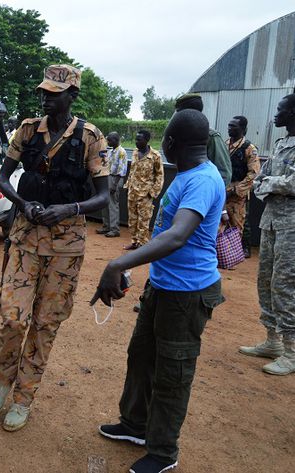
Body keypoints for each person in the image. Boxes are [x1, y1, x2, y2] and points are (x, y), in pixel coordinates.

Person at [92, 109, 225, 473]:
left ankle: (164, 452)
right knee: (141, 357)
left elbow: (178, 235)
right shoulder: (188, 175)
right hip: (164, 286)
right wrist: (144, 274)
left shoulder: (201, 180)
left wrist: (120, 264)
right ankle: (135, 426)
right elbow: (168, 238)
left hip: (187, 296)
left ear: (170, 143)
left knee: (171, 373)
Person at [0, 64, 109, 432]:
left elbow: (103, 196)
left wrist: (68, 208)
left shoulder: (90, 137)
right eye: (44, 92)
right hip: (25, 235)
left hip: (66, 245)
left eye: (54, 93)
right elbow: (3, 179)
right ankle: (3, 380)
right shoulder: (26, 130)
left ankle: (24, 396)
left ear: (72, 95)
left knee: (45, 324)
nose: (46, 98)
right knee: (12, 316)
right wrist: (24, 205)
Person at [238, 93, 295, 376]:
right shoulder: (280, 144)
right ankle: (272, 341)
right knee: (265, 281)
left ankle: (291, 353)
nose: (274, 115)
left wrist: (270, 183)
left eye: (279, 110)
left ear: (292, 112)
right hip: (270, 222)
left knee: (285, 285)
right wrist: (271, 183)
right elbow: (259, 181)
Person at [174, 93, 232, 187]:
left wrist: (204, 193)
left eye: (179, 112)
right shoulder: (182, 135)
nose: (177, 116)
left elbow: (224, 174)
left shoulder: (211, 136)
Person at [225, 116, 259, 257]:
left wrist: (235, 190)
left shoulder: (249, 148)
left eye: (233, 126)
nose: (230, 128)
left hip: (238, 192)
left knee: (238, 222)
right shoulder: (225, 144)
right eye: (229, 125)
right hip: (223, 189)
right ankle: (223, 252)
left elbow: (254, 173)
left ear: (243, 129)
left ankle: (236, 253)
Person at [124, 130, 164, 250]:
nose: (136, 142)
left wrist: (152, 193)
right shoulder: (135, 153)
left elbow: (160, 176)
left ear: (146, 140)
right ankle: (134, 242)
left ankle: (143, 245)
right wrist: (127, 185)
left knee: (144, 222)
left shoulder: (155, 155)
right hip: (132, 193)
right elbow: (132, 171)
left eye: (139, 139)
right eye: (135, 139)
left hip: (145, 195)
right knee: (132, 220)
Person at [97, 132, 128, 237]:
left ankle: (115, 229)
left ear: (115, 140)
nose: (108, 142)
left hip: (115, 179)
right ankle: (106, 227)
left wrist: (114, 185)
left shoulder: (121, 152)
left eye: (109, 140)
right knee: (105, 203)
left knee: (113, 204)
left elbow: (121, 170)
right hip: (108, 177)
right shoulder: (110, 151)